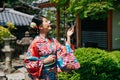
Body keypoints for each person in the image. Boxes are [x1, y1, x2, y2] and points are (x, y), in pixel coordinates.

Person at [24, 15, 80, 80]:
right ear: (40, 27)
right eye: (46, 21)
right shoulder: (35, 43)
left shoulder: (53, 40)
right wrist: (44, 61)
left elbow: (64, 51)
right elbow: (28, 63)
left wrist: (68, 36)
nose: (49, 22)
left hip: (54, 75)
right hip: (43, 76)